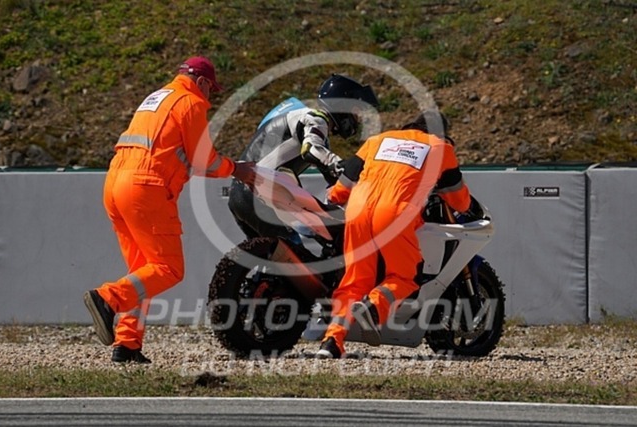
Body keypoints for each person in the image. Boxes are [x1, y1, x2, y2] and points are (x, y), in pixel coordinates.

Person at [83, 56, 256, 364]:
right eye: (210, 89)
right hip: (145, 189)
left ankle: (128, 343)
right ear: (201, 82)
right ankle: (108, 298)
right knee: (168, 268)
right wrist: (237, 169)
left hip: (115, 185)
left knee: (142, 273)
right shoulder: (190, 102)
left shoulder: (156, 98)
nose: (210, 97)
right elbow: (205, 161)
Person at [316, 110, 482, 359]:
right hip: (395, 214)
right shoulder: (440, 147)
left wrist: (334, 197)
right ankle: (374, 308)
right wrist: (471, 208)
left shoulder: (378, 140)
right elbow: (458, 199)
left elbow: (343, 185)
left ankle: (332, 341)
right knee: (405, 277)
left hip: (358, 211)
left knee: (354, 281)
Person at [227, 74, 379, 241]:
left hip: (243, 193)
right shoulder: (315, 118)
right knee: (294, 251)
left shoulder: (315, 132)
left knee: (274, 254)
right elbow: (311, 150)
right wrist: (343, 166)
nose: (358, 118)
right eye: (356, 111)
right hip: (255, 195)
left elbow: (334, 182)